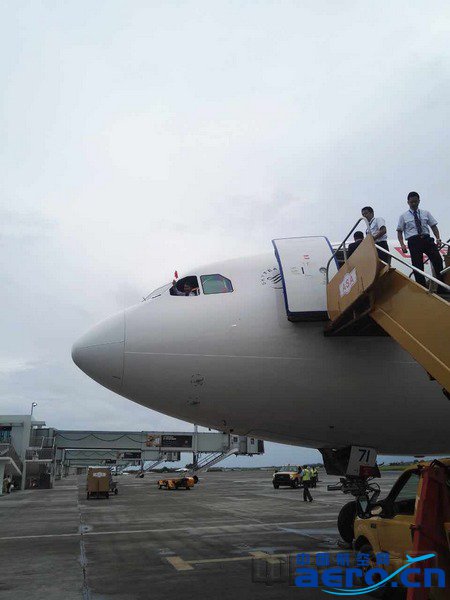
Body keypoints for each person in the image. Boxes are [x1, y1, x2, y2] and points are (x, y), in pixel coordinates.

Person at [397, 192, 444, 291]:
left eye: (415, 201)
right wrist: (402, 245)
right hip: (414, 241)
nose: (413, 204)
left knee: (437, 260)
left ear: (419, 201)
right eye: (411, 202)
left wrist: (438, 238)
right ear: (408, 202)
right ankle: (422, 288)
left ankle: (441, 286)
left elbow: (433, 226)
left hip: (426, 239)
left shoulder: (425, 213)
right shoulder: (403, 216)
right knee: (417, 265)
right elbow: (399, 231)